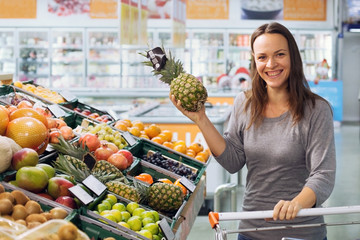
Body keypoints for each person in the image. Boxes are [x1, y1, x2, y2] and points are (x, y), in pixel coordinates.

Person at [170, 22, 336, 240]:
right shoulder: (244, 103)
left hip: (301, 232)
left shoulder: (316, 110)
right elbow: (233, 161)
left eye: (279, 54)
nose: (271, 64)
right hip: (251, 231)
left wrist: (295, 204)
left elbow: (323, 175)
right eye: (262, 57)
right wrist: (201, 119)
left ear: (293, 57)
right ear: (254, 61)